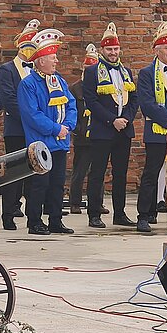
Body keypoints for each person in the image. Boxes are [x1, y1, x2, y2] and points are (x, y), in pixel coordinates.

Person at [17, 28, 77, 235]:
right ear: (41, 60)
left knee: (58, 184)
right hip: (40, 143)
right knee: (39, 184)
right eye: (53, 57)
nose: (56, 61)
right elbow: (32, 115)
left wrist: (68, 126)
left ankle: (55, 220)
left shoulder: (58, 81)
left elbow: (71, 104)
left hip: (60, 141)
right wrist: (56, 129)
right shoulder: (28, 84)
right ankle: (34, 221)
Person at [83, 22, 139, 228]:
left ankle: (120, 213)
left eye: (115, 49)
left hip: (124, 130)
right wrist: (111, 120)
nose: (113, 53)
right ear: (102, 50)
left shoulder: (127, 71)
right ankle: (94, 214)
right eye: (109, 49)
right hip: (103, 129)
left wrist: (126, 119)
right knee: (97, 173)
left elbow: (134, 99)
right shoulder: (92, 72)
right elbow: (91, 101)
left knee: (120, 174)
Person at [135, 21, 167, 233]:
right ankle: (144, 215)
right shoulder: (147, 73)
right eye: (166, 48)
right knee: (152, 173)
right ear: (157, 50)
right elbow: (147, 103)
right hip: (158, 131)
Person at [0, 19, 40, 230]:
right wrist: (31, 117)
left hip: (35, 131)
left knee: (34, 172)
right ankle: (8, 213)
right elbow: (8, 99)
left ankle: (34, 216)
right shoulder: (7, 70)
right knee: (13, 174)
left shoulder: (37, 71)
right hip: (16, 129)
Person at [68, 43, 109, 216]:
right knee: (80, 171)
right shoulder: (75, 88)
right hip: (82, 136)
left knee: (99, 172)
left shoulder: (102, 86)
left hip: (98, 134)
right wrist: (77, 129)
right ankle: (75, 202)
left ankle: (97, 202)